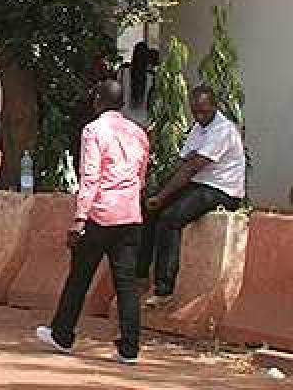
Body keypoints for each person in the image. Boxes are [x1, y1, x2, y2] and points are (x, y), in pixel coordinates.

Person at [37, 79, 149, 365]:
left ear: (98, 101)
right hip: (130, 215)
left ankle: (62, 334)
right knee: (126, 284)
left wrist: (79, 218)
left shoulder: (93, 130)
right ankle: (130, 348)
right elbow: (141, 176)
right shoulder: (139, 133)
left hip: (100, 214)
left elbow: (90, 177)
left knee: (79, 277)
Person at [137, 85, 245, 306]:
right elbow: (182, 161)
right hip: (200, 185)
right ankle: (140, 274)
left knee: (170, 218)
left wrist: (163, 195)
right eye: (195, 111)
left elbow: (191, 167)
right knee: (150, 210)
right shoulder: (199, 128)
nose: (199, 116)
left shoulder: (223, 130)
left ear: (215, 106)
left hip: (223, 190)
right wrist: (157, 192)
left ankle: (164, 289)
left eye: (204, 111)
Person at [120, 41, 153, 126]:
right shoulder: (151, 78)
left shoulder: (122, 73)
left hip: (124, 119)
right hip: (143, 122)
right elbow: (150, 103)